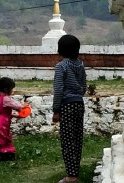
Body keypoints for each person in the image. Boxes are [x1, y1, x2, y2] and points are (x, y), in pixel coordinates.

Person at [52, 34, 87, 183]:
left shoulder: (61, 66)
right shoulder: (80, 65)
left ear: (60, 50)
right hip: (79, 103)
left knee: (67, 141)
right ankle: (75, 172)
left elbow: (59, 89)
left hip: (66, 105)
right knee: (77, 139)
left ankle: (71, 176)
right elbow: (84, 86)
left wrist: (56, 110)